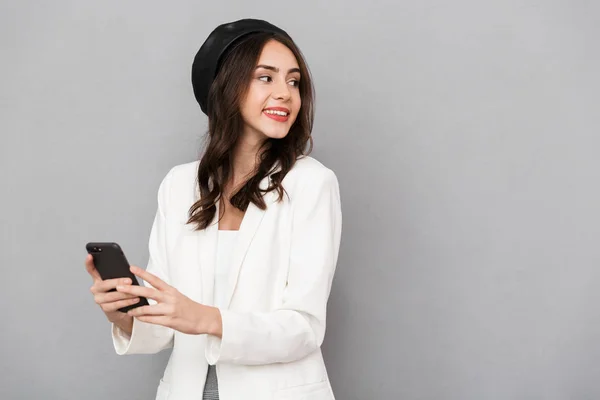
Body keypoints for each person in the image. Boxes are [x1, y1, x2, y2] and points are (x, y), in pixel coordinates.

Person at [85, 18, 342, 400]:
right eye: (265, 77)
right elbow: (166, 324)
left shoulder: (311, 183)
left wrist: (207, 318)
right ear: (225, 88)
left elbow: (303, 329)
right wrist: (122, 313)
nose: (286, 94)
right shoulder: (179, 185)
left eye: (293, 81)